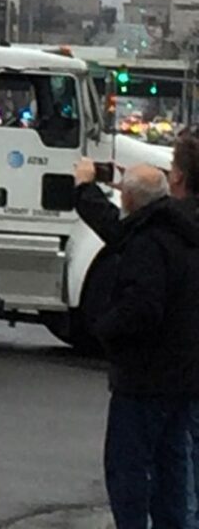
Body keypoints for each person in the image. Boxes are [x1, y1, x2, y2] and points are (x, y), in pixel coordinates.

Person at [78, 162, 199, 528]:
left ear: (129, 198)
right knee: (172, 464)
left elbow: (141, 307)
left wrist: (104, 329)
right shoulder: (183, 231)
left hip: (144, 376)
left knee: (128, 466)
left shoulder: (147, 242)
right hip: (184, 373)